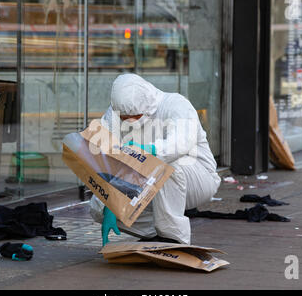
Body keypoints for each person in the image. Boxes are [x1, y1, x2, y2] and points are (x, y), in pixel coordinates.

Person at [90, 73, 221, 245]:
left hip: (197, 178)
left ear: (146, 104)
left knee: (163, 166)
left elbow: (181, 142)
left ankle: (173, 238)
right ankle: (155, 232)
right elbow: (110, 157)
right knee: (98, 204)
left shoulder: (176, 104)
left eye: (136, 116)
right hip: (148, 180)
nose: (130, 121)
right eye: (124, 118)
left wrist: (150, 151)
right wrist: (112, 201)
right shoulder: (115, 113)